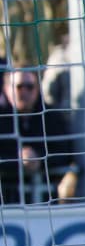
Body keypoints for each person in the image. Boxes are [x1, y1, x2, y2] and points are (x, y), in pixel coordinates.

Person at [0, 67, 68, 203]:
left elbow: (67, 152)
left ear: (37, 88)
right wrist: (17, 159)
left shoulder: (51, 117)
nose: (24, 92)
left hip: (45, 203)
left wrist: (39, 159)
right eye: (19, 87)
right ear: (7, 88)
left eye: (30, 87)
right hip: (5, 203)